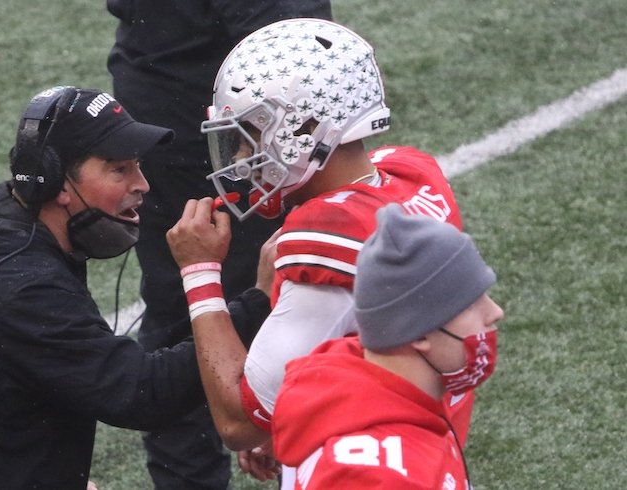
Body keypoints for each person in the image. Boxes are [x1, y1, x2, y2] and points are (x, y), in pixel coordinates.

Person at [0, 86, 273, 490]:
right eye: (119, 169)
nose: (142, 185)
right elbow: (142, 393)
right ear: (55, 182)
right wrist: (248, 297)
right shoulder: (19, 285)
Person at [165, 17, 473, 484]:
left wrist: (200, 272)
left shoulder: (329, 236)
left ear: (304, 127)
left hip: (361, 466)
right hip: (426, 452)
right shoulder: (410, 178)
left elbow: (239, 421)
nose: (240, 160)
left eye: (249, 135)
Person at [106, 1, 332, 487]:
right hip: (240, 133)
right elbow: (299, 50)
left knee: (182, 314)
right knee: (299, 298)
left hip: (169, 98)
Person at [270, 204, 502, 488]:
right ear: (418, 333)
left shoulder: (394, 399)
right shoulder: (377, 478)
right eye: (470, 304)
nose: (495, 312)